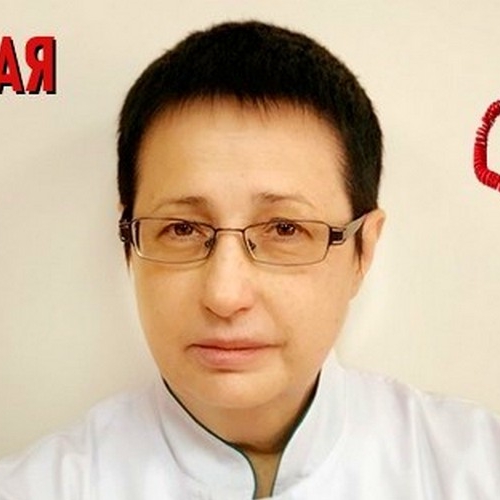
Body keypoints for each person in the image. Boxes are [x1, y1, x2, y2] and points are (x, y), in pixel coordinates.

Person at [1, 20, 499, 500]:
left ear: (363, 250)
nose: (224, 295)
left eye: (285, 229)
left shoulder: (476, 469)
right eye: (182, 229)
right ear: (128, 243)